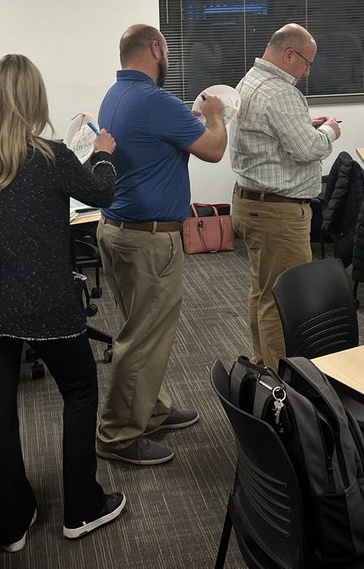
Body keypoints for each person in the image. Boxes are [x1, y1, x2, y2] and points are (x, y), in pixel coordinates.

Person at [0, 54, 126, 551]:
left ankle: (12, 521)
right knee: (79, 392)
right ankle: (81, 508)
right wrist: (103, 152)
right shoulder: (52, 155)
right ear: (35, 99)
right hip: (48, 308)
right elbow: (101, 190)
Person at [94, 25, 228, 467]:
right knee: (144, 335)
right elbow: (213, 149)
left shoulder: (116, 95)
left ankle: (150, 408)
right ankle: (117, 434)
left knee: (141, 328)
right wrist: (215, 112)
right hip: (148, 239)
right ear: (155, 49)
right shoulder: (154, 100)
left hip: (117, 229)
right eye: (167, 51)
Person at [231, 24, 340, 368]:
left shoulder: (250, 80)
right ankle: (283, 382)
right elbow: (308, 150)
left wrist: (303, 123)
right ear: (289, 54)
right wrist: (328, 131)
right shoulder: (280, 92)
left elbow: (272, 135)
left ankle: (263, 364)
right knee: (282, 299)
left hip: (252, 204)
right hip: (278, 213)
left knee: (263, 292)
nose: (308, 72)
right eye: (307, 63)